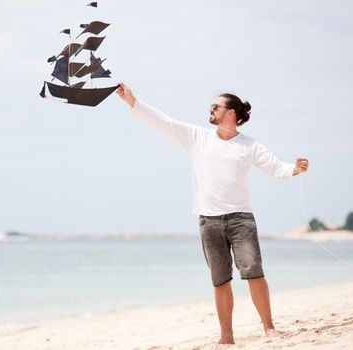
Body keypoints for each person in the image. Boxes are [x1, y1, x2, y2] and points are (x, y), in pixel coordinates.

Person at [116, 83, 309, 344]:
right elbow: (165, 122)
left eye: (215, 106)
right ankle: (226, 337)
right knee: (220, 281)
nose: (211, 109)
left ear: (230, 112)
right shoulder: (198, 137)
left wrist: (295, 169)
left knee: (254, 272)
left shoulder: (249, 145)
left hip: (241, 220)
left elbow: (276, 168)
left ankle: (269, 329)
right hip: (209, 221)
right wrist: (133, 102)